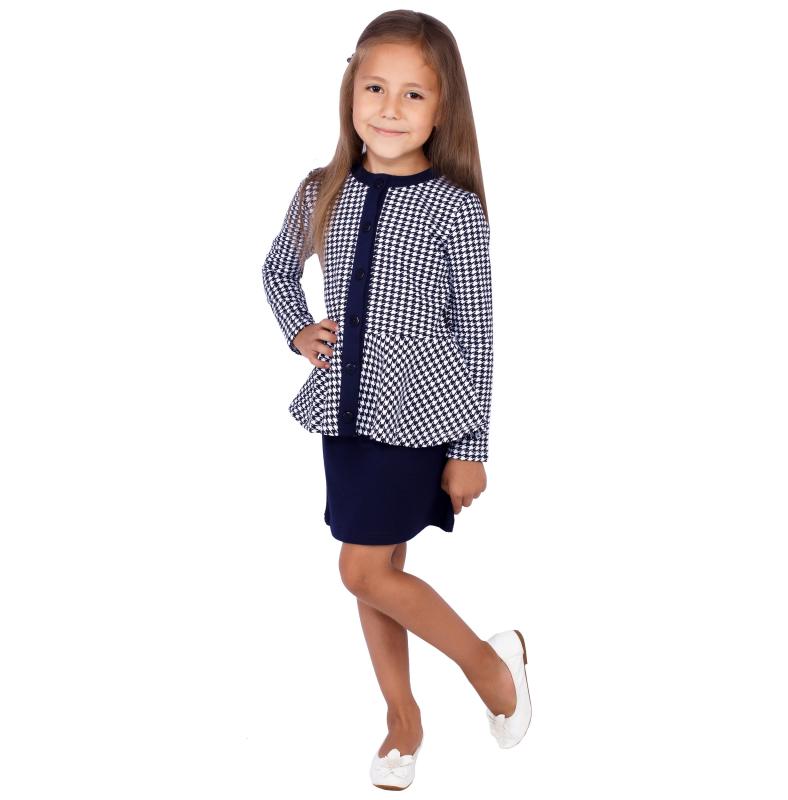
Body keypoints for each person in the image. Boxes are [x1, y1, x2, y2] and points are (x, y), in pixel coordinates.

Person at [261, 10, 532, 790]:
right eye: (375, 88)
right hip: (343, 412)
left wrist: (471, 448)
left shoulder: (455, 206)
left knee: (361, 570)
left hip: (419, 416)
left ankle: (489, 665)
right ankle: (402, 718)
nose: (389, 108)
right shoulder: (321, 188)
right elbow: (278, 270)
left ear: (442, 109)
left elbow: (476, 332)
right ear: (351, 92)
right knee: (378, 564)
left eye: (414, 94)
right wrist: (298, 329)